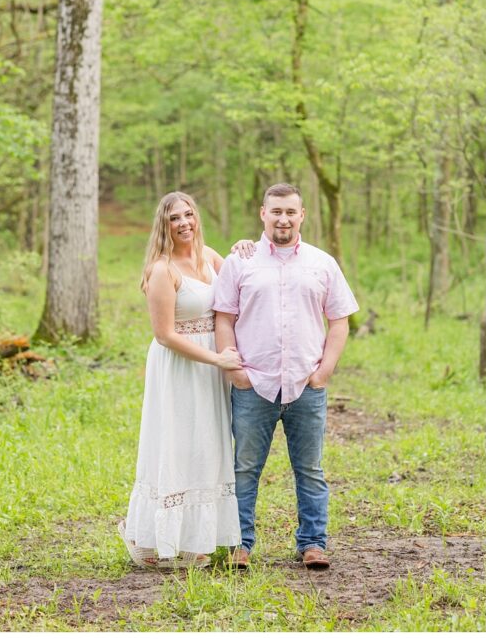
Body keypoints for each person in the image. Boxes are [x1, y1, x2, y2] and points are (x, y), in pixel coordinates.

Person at [213, 183, 358, 571]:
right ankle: (239, 544)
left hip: (304, 385)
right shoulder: (240, 262)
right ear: (263, 213)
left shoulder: (322, 263)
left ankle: (313, 543)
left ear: (302, 215)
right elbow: (223, 318)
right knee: (244, 469)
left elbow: (340, 321)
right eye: (276, 211)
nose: (283, 218)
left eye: (290, 212)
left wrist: (324, 371)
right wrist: (237, 373)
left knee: (310, 470)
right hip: (253, 386)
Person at [119, 192, 246, 568]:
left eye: (189, 214)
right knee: (176, 444)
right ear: (164, 225)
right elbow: (165, 335)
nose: (184, 223)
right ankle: (151, 537)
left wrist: (246, 248)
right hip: (180, 367)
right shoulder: (163, 269)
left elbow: (245, 280)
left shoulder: (210, 258)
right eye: (175, 218)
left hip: (211, 368)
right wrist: (216, 358)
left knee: (206, 445)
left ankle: (195, 538)